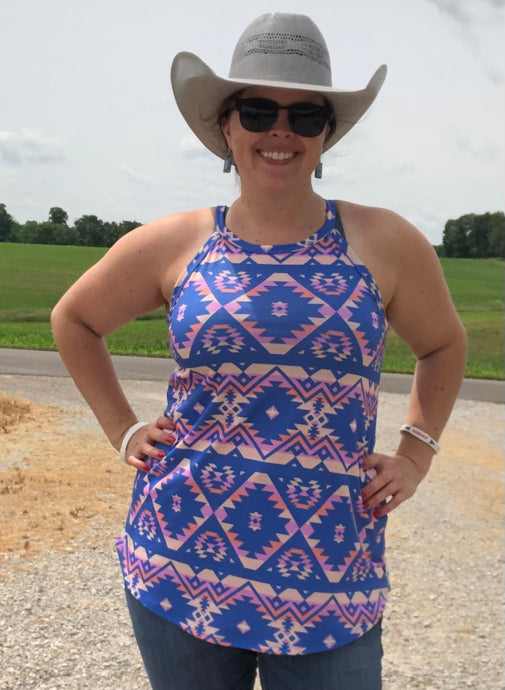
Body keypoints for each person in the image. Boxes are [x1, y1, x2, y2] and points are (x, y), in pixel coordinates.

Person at [51, 12, 466, 690]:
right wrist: (123, 430)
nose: (281, 130)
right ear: (226, 126)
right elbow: (74, 320)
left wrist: (416, 451)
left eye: (306, 116)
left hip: (331, 576)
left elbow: (444, 345)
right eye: (258, 110)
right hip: (179, 564)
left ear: (325, 135)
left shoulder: (383, 241)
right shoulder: (176, 242)